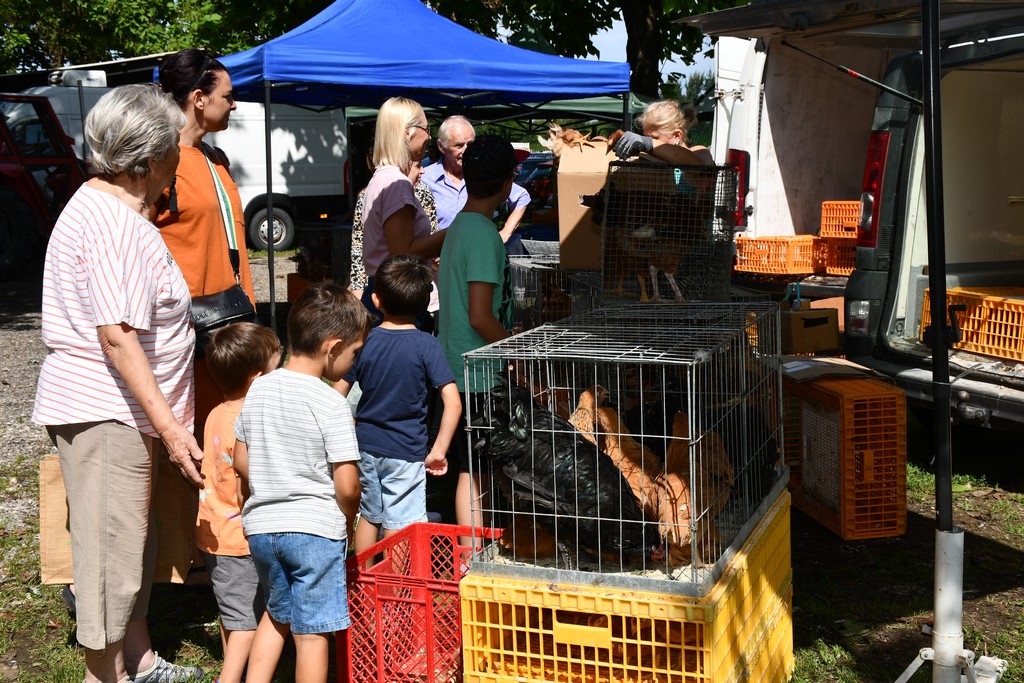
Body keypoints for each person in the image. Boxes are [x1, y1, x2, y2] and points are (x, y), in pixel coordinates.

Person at [32, 84, 205, 683]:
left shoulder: (109, 209)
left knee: (129, 543)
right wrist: (172, 430)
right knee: (110, 557)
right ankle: (105, 676)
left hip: (121, 412)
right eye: (174, 145)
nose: (180, 155)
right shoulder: (114, 224)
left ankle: (140, 659)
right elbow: (117, 335)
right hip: (109, 411)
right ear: (150, 159)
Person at [232, 282, 372, 683]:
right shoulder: (331, 403)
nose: (354, 361)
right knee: (312, 634)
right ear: (333, 348)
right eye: (354, 353)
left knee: (277, 615)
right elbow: (348, 486)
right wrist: (348, 522)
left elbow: (241, 459)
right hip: (314, 532)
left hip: (263, 529)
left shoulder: (259, 388)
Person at [154, 48, 257, 435]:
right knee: (198, 438)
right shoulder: (160, 162)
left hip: (233, 326)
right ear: (199, 99)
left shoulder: (216, 158)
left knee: (233, 436)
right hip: (188, 338)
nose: (234, 104)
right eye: (227, 96)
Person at [336, 254, 461, 553]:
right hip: (406, 449)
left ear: (376, 300)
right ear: (425, 304)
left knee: (370, 515)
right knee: (400, 520)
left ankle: (365, 574)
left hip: (365, 446)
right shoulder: (427, 345)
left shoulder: (364, 341)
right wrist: (439, 451)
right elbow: (453, 403)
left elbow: (336, 393)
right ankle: (395, 582)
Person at [436, 135, 517, 531]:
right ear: (508, 183)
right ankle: (472, 552)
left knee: (473, 467)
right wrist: (516, 350)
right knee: (475, 471)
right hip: (478, 375)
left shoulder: (459, 226)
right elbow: (481, 317)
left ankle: (475, 546)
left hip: (457, 367)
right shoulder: (485, 236)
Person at [195, 322, 282, 683]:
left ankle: (241, 671)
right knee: (247, 622)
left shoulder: (217, 413)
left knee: (234, 613)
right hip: (239, 536)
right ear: (258, 379)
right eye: (277, 368)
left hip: (214, 531)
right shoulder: (249, 421)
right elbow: (250, 483)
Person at [360, 97, 445, 324]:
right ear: (408, 132)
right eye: (427, 128)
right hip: (397, 299)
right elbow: (403, 254)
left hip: (385, 293)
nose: (429, 136)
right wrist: (455, 232)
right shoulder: (397, 183)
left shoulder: (382, 177)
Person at [423, 115, 532, 245]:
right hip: (440, 255)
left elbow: (522, 197)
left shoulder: (483, 173)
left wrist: (505, 233)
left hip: (480, 248)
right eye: (459, 145)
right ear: (441, 146)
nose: (466, 150)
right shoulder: (424, 179)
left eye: (470, 144)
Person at [350, 158, 437, 301]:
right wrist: (358, 287)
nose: (423, 171)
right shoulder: (374, 191)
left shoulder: (423, 192)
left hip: (418, 285)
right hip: (386, 287)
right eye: (417, 166)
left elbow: (431, 230)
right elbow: (359, 243)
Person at [611, 100, 714, 165]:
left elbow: (699, 164)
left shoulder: (700, 152)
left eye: (654, 138)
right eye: (646, 137)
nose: (648, 142)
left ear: (677, 136)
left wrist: (648, 143)